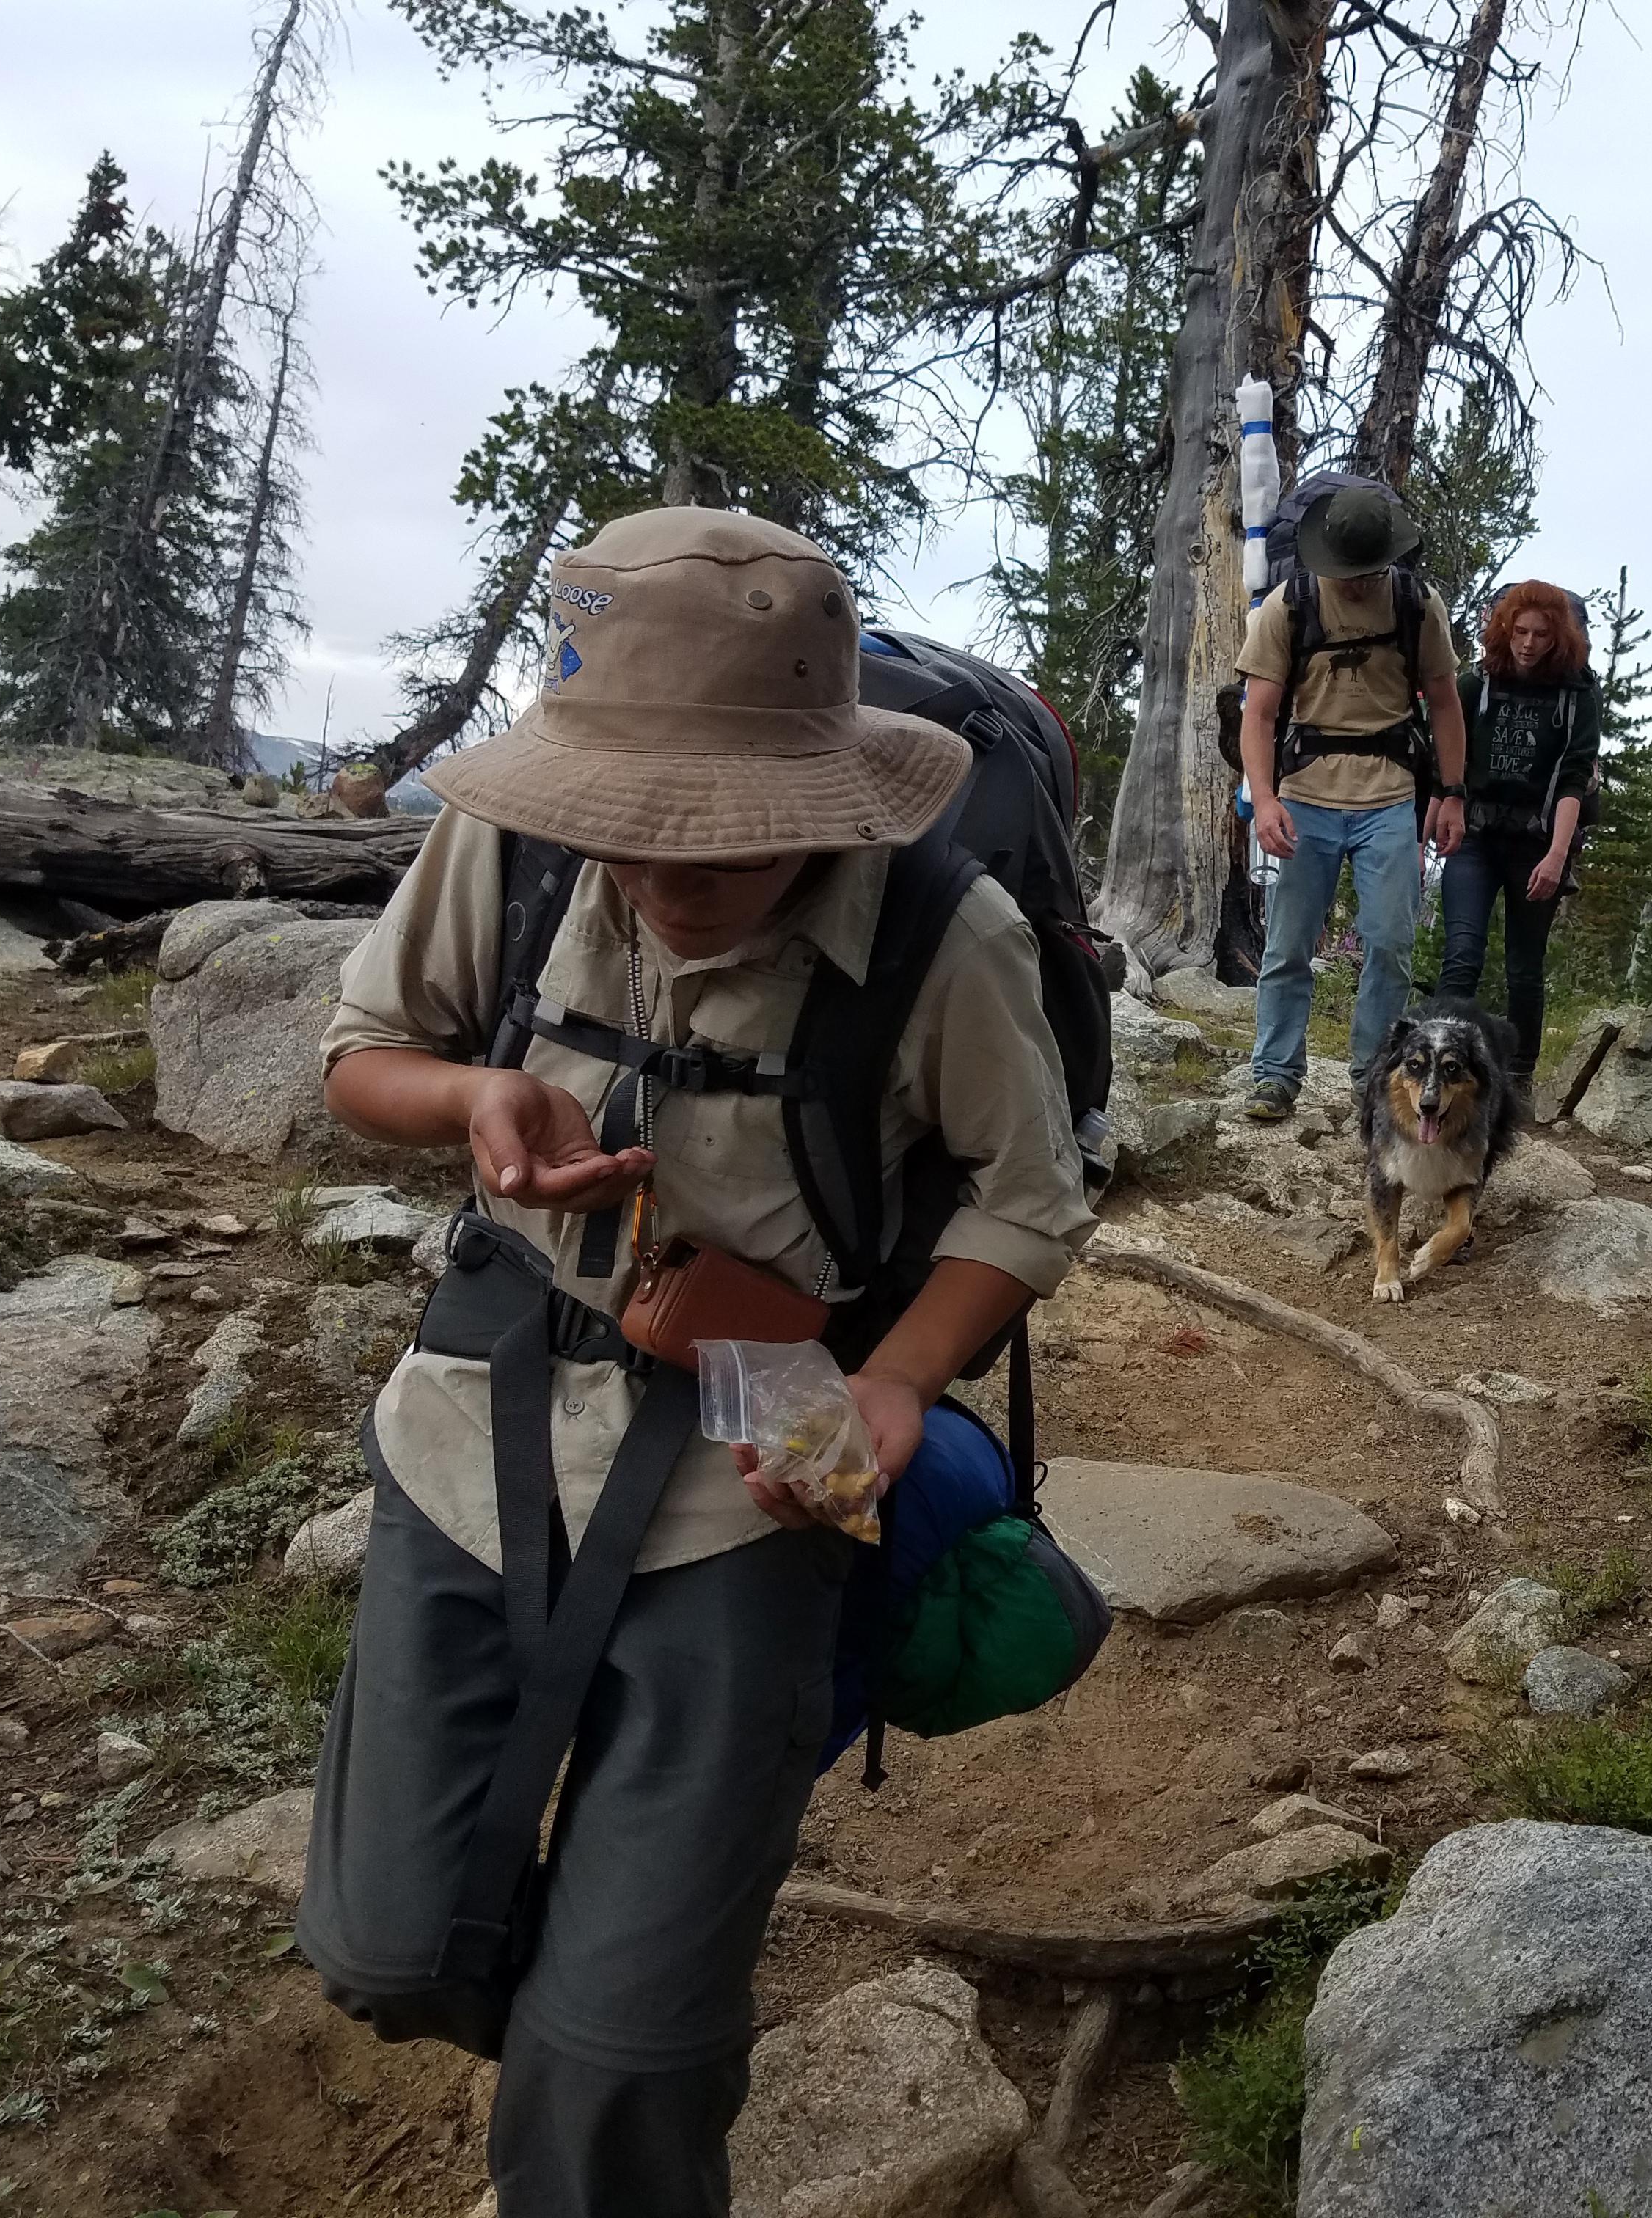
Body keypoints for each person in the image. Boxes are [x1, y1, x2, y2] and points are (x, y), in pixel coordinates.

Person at [293, 508, 1094, 2218]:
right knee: (383, 1945)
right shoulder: (511, 850)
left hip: (769, 1404)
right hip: (485, 1390)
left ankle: (620, 2064)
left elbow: (1031, 1202)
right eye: (621, 836)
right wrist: (472, 1100)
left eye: (714, 851)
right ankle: (594, 2003)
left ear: (819, 798)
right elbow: (366, 1053)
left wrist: (895, 1384)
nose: (655, 885)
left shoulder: (950, 937)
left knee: (626, 2055)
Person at [1235, 483, 1467, 1120]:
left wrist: (1451, 794)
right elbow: (1257, 716)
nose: (1358, 584)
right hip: (1304, 794)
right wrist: (1263, 799)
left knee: (1391, 941)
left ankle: (1374, 1077)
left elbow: (1444, 702)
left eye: (1369, 572)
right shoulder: (1288, 606)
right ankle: (1276, 1074)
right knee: (1287, 943)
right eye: (1348, 572)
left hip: (1390, 794)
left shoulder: (1419, 605)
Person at [1437, 580, 1600, 1077]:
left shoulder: (1577, 696)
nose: (1528, 643)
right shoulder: (1475, 685)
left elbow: (1576, 776)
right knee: (1462, 953)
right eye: (1521, 631)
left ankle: (1518, 1076)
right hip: (1477, 838)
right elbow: (1445, 759)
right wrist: (1440, 811)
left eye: (1541, 635)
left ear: (1560, 638)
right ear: (1504, 629)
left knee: (1524, 968)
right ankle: (1441, 1059)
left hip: (1538, 842)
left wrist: (1558, 854)